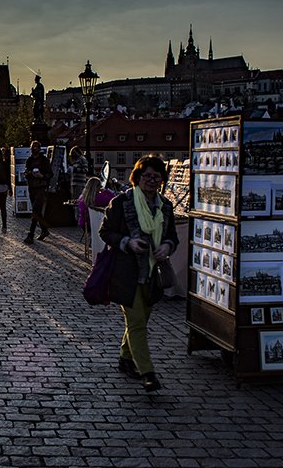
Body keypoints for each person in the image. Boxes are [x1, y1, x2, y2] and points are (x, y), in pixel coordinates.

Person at [98, 154, 179, 393]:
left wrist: (167, 246)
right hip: (127, 273)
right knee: (136, 323)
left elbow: (172, 236)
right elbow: (105, 232)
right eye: (147, 175)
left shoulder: (165, 206)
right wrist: (127, 242)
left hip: (153, 273)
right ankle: (148, 373)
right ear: (137, 177)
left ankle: (125, 358)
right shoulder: (122, 203)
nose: (152, 180)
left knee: (140, 320)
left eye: (157, 176)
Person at [23, 140, 52, 244]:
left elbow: (50, 174)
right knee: (38, 211)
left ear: (39, 149)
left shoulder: (44, 160)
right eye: (32, 148)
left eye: (35, 147)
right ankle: (44, 230)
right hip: (32, 187)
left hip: (41, 187)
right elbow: (26, 173)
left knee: (35, 210)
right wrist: (29, 173)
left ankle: (30, 234)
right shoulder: (29, 160)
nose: (33, 149)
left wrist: (42, 176)